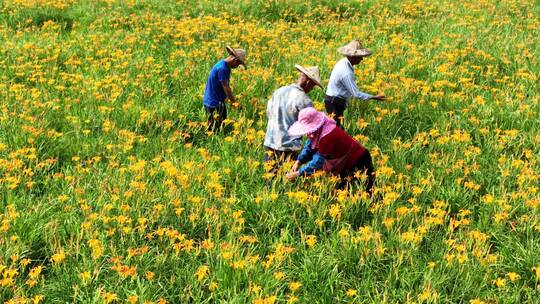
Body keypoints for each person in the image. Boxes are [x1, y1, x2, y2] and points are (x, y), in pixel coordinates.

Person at [286, 107, 375, 196]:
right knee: (341, 192)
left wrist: (299, 173)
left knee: (369, 191)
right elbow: (309, 144)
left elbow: (317, 162)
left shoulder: (327, 135)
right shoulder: (320, 127)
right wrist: (299, 161)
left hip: (359, 159)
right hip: (345, 160)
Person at [264, 64, 323, 171]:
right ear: (308, 82)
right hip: (289, 147)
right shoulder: (305, 100)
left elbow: (268, 113)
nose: (312, 89)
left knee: (270, 178)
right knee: (287, 179)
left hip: (270, 141)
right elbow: (312, 129)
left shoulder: (280, 90)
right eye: (313, 85)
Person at [325, 40, 385, 128]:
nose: (362, 59)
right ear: (353, 57)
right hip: (334, 103)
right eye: (359, 56)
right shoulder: (346, 72)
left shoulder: (342, 62)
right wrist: (373, 97)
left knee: (337, 130)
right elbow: (355, 93)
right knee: (336, 131)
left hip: (334, 102)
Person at [203, 46, 247, 131]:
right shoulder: (222, 68)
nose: (237, 66)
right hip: (213, 103)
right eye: (238, 64)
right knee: (213, 129)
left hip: (216, 101)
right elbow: (226, 87)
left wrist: (226, 98)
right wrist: (234, 103)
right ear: (235, 60)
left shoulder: (223, 65)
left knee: (221, 125)